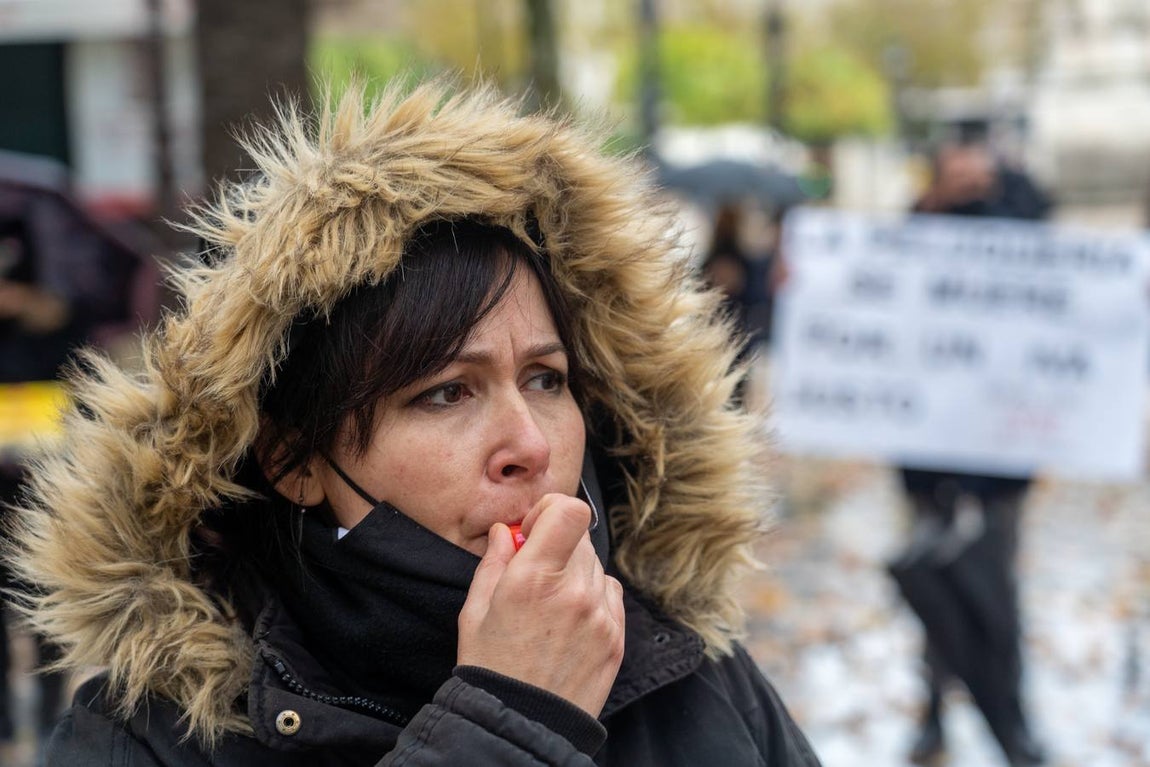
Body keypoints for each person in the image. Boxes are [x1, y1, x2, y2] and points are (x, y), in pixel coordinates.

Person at [9, 80, 822, 766]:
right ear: (296, 459)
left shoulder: (694, 677)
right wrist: (513, 722)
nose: (531, 447)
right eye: (445, 393)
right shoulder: (151, 736)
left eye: (546, 378)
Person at [894, 139, 1051, 767]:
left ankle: (1012, 719)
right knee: (933, 594)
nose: (967, 182)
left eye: (976, 173)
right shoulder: (912, 234)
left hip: (998, 459)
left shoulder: (1020, 227)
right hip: (930, 460)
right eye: (954, 173)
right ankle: (934, 717)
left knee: (999, 595)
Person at [0, 150, 150, 747]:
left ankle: (40, 723)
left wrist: (33, 306)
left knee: (44, 577)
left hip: (41, 435)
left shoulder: (42, 208)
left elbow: (83, 302)